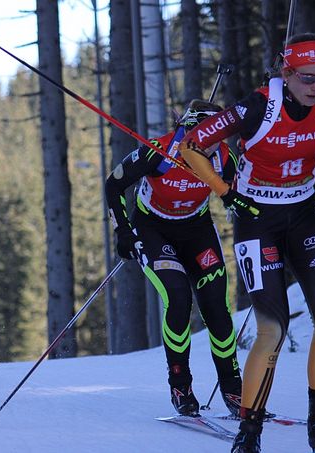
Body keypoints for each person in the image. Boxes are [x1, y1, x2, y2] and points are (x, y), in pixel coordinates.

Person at [177, 34, 315, 453]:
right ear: (286, 71)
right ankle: (249, 434)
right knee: (273, 327)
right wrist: (224, 191)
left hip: (304, 215)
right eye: (306, 78)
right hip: (257, 221)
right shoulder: (256, 106)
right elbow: (191, 146)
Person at [105, 99, 243, 417]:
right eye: (205, 138)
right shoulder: (159, 150)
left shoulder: (224, 157)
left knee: (217, 309)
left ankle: (234, 389)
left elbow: (239, 200)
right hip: (153, 229)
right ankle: (180, 384)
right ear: (187, 130)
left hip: (196, 230)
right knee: (178, 298)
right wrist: (122, 232)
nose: (211, 147)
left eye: (218, 137)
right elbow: (114, 185)